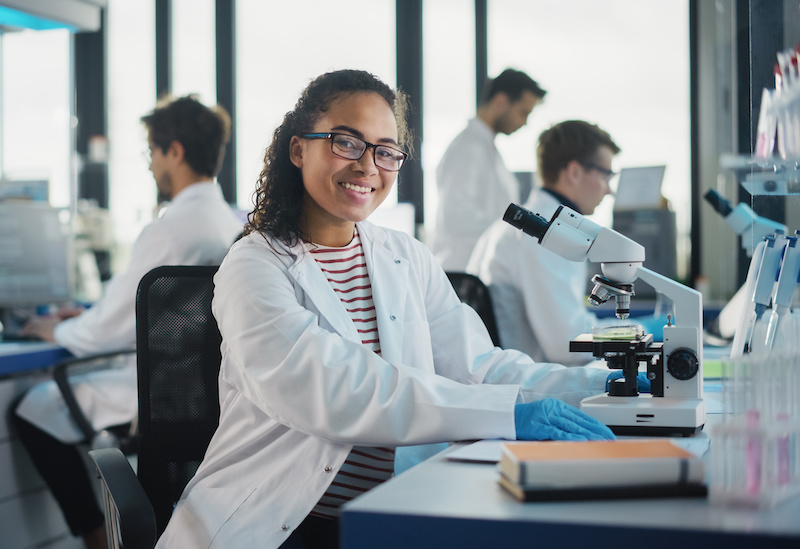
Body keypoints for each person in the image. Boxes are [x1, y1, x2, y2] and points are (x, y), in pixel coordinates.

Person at [155, 70, 622, 549]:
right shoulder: (252, 266)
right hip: (280, 522)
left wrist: (599, 385)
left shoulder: (406, 255)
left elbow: (479, 366)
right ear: (299, 150)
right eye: (346, 142)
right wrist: (509, 412)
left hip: (397, 508)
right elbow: (337, 390)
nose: (367, 166)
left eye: (385, 150)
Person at [13, 95, 244, 549]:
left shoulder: (170, 227)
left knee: (31, 409)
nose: (151, 166)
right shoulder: (224, 218)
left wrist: (53, 330)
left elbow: (109, 330)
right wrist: (90, 315)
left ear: (173, 152)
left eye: (152, 154)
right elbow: (145, 310)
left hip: (154, 389)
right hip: (196, 388)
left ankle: (97, 540)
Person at [467, 120, 664, 366]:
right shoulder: (550, 236)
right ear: (574, 172)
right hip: (537, 384)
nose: (609, 190)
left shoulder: (507, 228)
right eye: (606, 175)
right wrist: (643, 330)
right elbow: (568, 343)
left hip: (520, 376)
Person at [431, 68, 546, 271]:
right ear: (500, 102)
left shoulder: (487, 150)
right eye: (523, 112)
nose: (525, 122)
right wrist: (517, 233)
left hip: (479, 269)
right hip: (462, 272)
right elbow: (457, 216)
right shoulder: (467, 149)